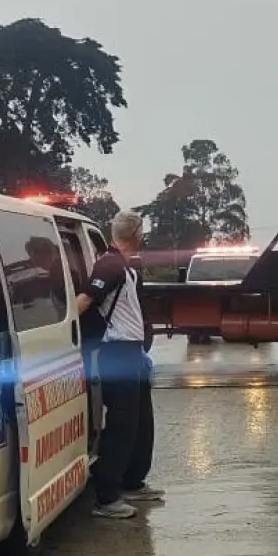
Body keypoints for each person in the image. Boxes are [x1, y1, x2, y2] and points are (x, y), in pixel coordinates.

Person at [76, 211, 163, 519]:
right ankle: (107, 497)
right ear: (137, 233)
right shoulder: (110, 265)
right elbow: (85, 301)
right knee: (122, 424)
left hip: (131, 353)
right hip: (117, 353)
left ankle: (132, 482)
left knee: (140, 421)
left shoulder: (125, 266)